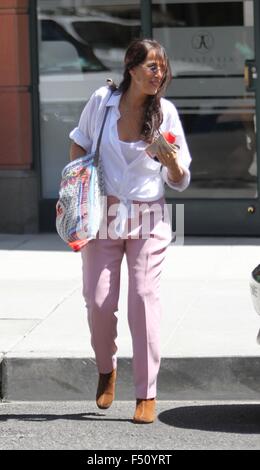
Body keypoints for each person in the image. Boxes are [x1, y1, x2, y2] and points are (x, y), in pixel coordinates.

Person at [69, 38, 191, 424]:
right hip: (102, 216)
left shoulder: (166, 113)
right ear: (132, 69)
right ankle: (106, 368)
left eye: (162, 67)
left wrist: (170, 162)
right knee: (98, 301)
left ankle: (146, 393)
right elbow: (79, 143)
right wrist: (77, 187)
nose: (159, 73)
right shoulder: (102, 103)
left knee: (143, 298)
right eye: (152, 66)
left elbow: (180, 178)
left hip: (147, 218)